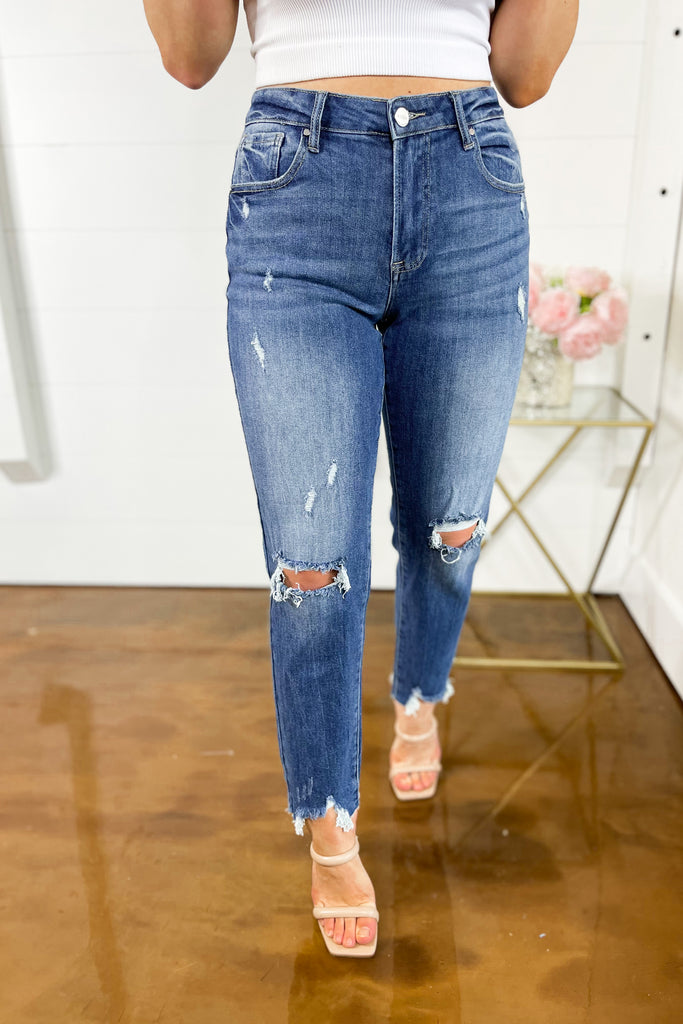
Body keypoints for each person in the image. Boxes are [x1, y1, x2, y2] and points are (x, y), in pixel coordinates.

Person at [142, 0, 579, 958]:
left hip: (469, 178)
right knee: (310, 565)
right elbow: (189, 55)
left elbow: (526, 74)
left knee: (449, 525)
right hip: (296, 185)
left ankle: (419, 693)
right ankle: (328, 823)